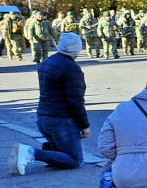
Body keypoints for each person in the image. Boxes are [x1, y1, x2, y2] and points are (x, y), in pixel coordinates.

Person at [8, 33, 91, 176]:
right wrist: (84, 126)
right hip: (61, 120)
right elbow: (75, 101)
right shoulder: (71, 69)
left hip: (44, 117)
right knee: (76, 161)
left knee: (64, 153)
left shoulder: (47, 62)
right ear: (77, 49)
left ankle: (51, 153)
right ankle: (32, 152)